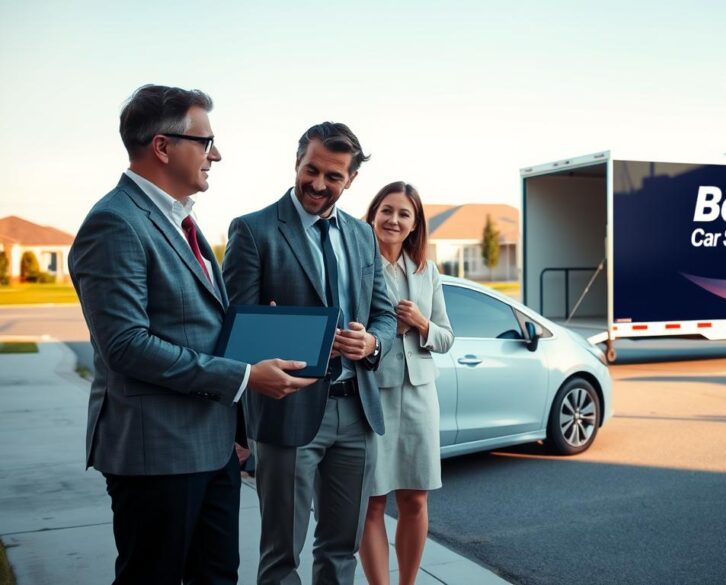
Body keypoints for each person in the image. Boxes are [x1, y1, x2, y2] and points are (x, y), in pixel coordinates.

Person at [69, 84, 316, 585]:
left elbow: (195, 320)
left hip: (213, 444)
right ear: (163, 147)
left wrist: (254, 335)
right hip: (156, 452)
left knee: (218, 575)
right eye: (206, 142)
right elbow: (126, 346)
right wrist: (244, 376)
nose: (215, 154)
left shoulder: (182, 218)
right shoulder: (115, 223)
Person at [222, 122, 397, 585]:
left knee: (342, 549)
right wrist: (270, 330)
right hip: (287, 412)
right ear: (297, 163)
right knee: (282, 556)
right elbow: (234, 331)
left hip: (356, 410)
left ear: (351, 180)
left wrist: (373, 341)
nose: (319, 184)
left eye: (333, 176)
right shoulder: (253, 230)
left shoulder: (362, 236)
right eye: (311, 170)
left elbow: (384, 315)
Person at [359, 181, 453, 585]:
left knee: (415, 497)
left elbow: (446, 337)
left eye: (404, 214)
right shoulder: (356, 263)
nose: (393, 220)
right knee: (373, 502)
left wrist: (420, 323)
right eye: (387, 210)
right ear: (374, 214)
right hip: (372, 393)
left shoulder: (427, 270)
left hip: (419, 395)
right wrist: (383, 331)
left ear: (415, 225)